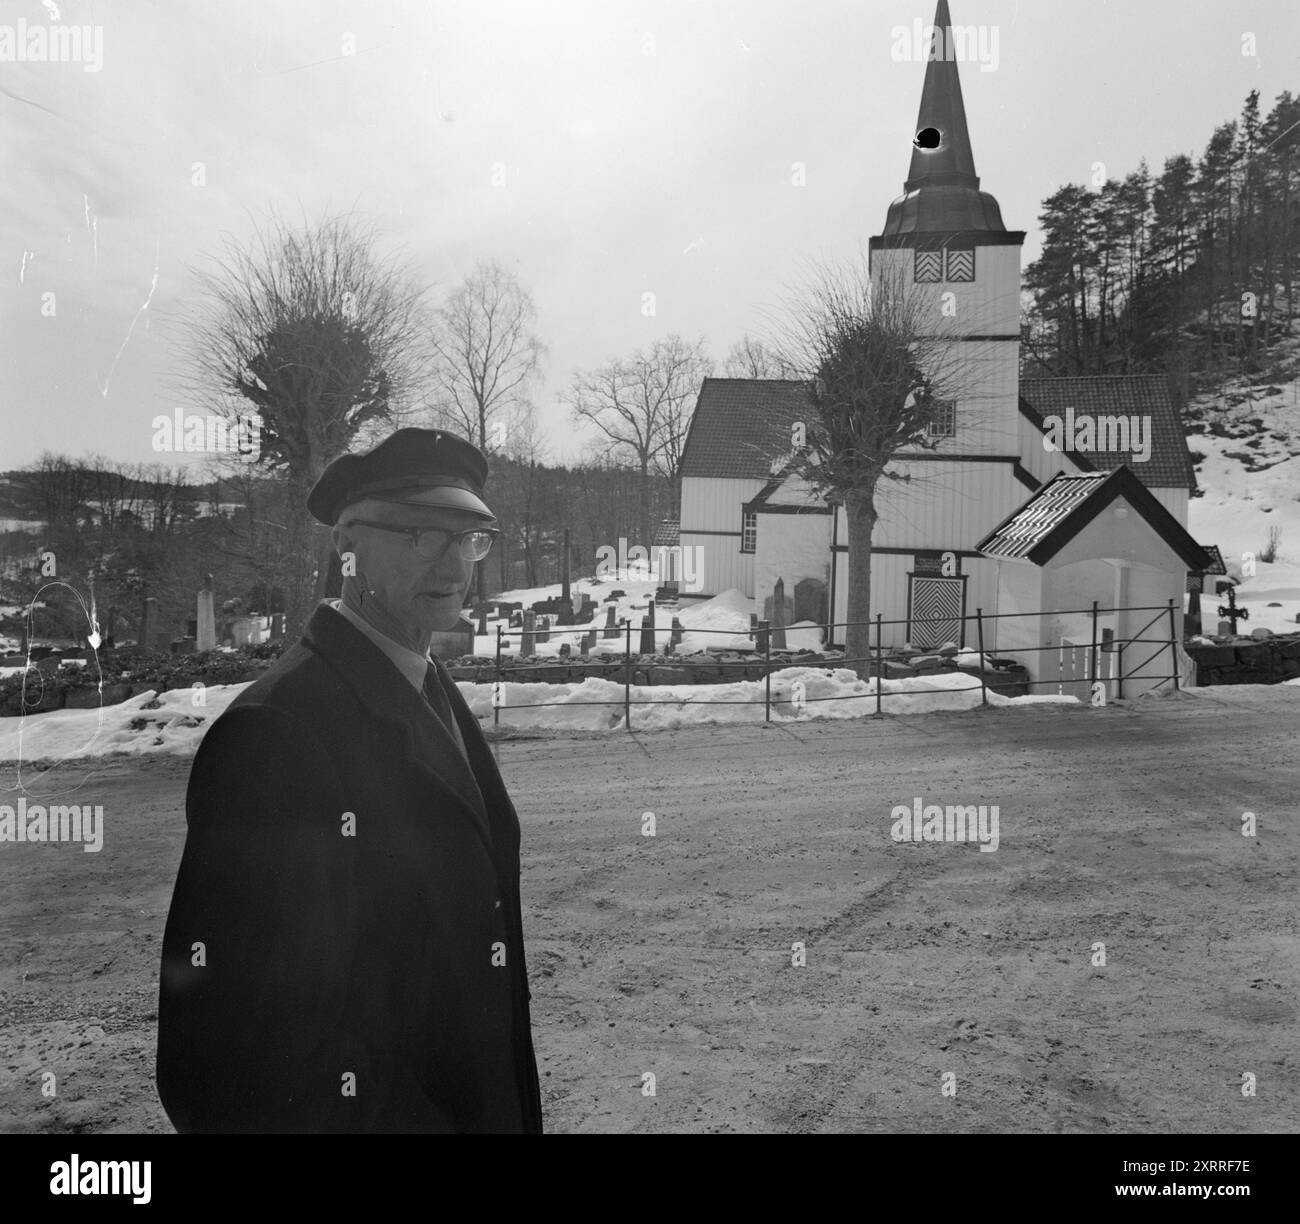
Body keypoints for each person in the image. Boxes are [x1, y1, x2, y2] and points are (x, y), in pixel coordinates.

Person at [156, 427, 543, 1133]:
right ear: (347, 546)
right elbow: (237, 1050)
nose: (453, 563)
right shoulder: (280, 733)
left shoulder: (429, 687)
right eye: (421, 534)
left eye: (469, 538)